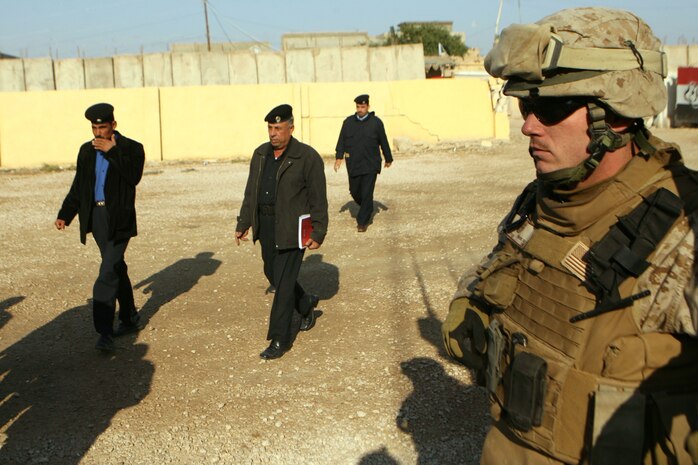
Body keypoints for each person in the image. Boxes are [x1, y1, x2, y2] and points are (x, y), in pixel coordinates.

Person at [442, 7, 698, 464]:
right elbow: (488, 291)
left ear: (615, 116)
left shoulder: (684, 233)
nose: (528, 125)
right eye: (525, 105)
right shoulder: (543, 202)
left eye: (551, 107)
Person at [235, 104, 328, 360]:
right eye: (270, 128)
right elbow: (250, 191)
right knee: (272, 273)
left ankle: (279, 338)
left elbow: (318, 197)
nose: (273, 133)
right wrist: (244, 222)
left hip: (291, 228)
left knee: (284, 285)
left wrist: (318, 231)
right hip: (266, 226)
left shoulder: (307, 157)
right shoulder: (261, 154)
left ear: (291, 128)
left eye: (278, 128)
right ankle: (306, 303)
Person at [55, 103, 145, 352]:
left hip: (119, 218)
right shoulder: (86, 151)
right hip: (96, 216)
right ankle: (129, 318)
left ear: (113, 126)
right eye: (94, 128)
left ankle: (104, 332)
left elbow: (133, 177)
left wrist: (113, 152)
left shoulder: (131, 148)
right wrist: (66, 214)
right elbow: (79, 186)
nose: (97, 133)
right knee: (115, 266)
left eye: (102, 127)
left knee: (106, 273)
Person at [334, 94, 393, 232]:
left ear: (368, 107)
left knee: (366, 192)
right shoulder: (348, 122)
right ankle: (367, 206)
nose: (360, 109)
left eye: (363, 106)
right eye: (358, 107)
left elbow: (383, 141)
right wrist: (338, 157)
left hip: (370, 164)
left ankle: (362, 222)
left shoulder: (376, 123)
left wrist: (388, 158)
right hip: (354, 163)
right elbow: (341, 140)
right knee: (354, 191)